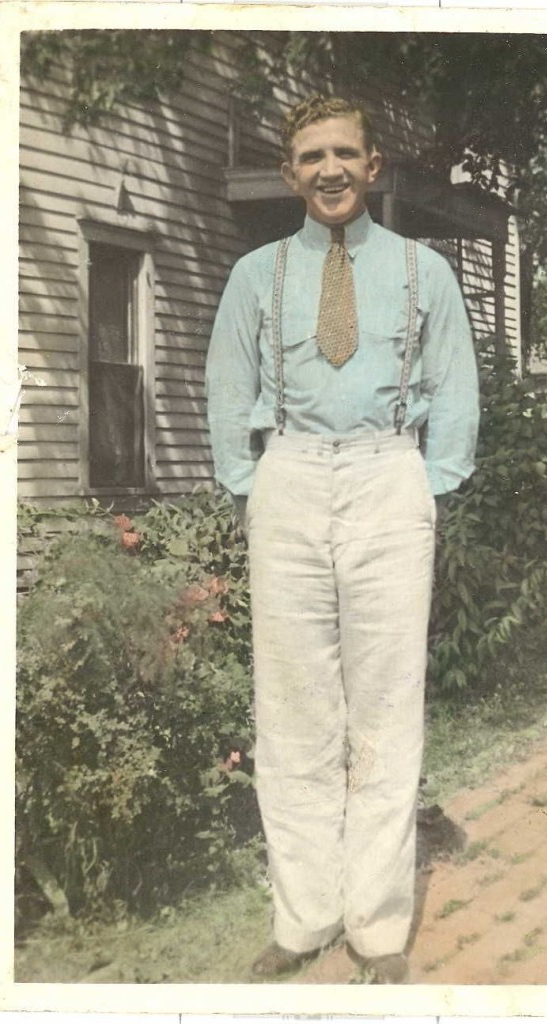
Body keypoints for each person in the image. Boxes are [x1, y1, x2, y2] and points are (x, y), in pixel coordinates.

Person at [205, 95, 479, 984]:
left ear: (373, 165)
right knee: (293, 710)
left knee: (387, 705)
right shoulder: (256, 274)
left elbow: (456, 385)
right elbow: (226, 386)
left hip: (386, 475)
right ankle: (305, 916)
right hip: (288, 477)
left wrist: (428, 482)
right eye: (312, 156)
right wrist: (252, 484)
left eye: (345, 154)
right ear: (290, 174)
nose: (330, 170)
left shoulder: (422, 270)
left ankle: (378, 926)